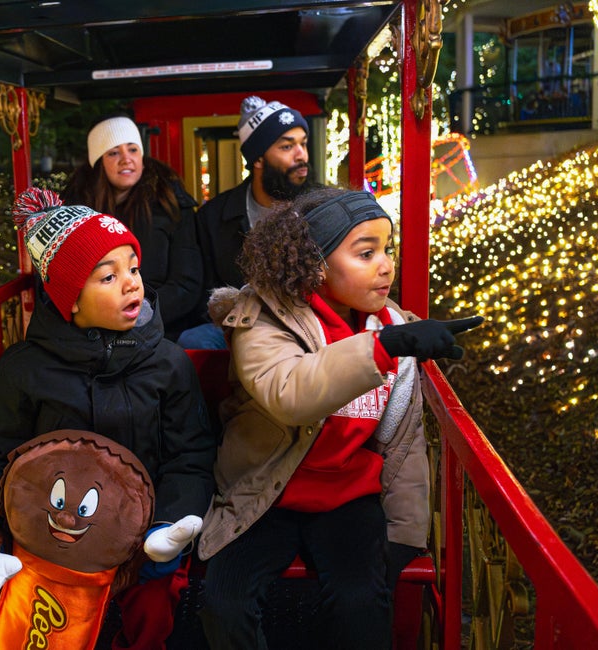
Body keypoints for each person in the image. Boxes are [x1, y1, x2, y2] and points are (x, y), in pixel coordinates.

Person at [196, 188, 483, 649]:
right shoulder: (263, 319)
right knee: (225, 604)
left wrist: (405, 535)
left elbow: (404, 444)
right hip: (264, 490)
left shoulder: (390, 326)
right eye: (366, 253)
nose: (386, 265)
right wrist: (385, 348)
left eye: (387, 250)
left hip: (347, 496)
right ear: (316, 263)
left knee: (362, 605)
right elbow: (290, 390)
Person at [0, 188, 216, 650]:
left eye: (133, 268)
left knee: (152, 607)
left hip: (138, 540)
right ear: (70, 299)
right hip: (48, 539)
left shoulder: (168, 365)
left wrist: (164, 531)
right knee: (2, 609)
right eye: (108, 277)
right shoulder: (27, 368)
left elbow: (189, 455)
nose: (132, 283)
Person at [180, 95, 319, 349]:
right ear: (257, 159)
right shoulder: (214, 217)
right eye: (287, 147)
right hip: (238, 325)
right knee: (193, 340)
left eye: (303, 143)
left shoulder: (321, 208)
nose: (301, 155)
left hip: (308, 323)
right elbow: (202, 294)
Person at [61, 115, 202, 341]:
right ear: (98, 162)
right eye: (114, 152)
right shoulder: (75, 212)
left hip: (162, 327)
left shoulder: (171, 203)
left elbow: (186, 283)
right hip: (93, 330)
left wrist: (139, 315)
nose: (126, 159)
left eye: (133, 150)